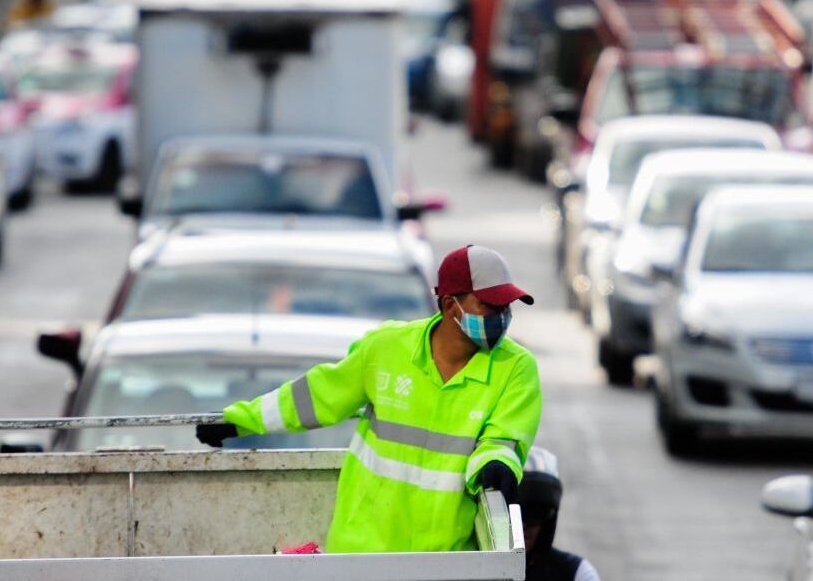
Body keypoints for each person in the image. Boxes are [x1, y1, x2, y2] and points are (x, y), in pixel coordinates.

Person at [196, 244, 542, 553]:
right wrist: (240, 420)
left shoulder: (516, 367)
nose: (501, 317)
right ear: (451, 304)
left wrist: (496, 466)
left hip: (441, 561)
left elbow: (504, 439)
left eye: (505, 307)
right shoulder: (386, 348)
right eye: (489, 305)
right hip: (361, 553)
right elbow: (318, 395)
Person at [519, 448, 600, 581]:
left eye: (535, 512)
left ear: (549, 521)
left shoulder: (577, 574)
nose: (523, 525)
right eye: (512, 514)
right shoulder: (476, 568)